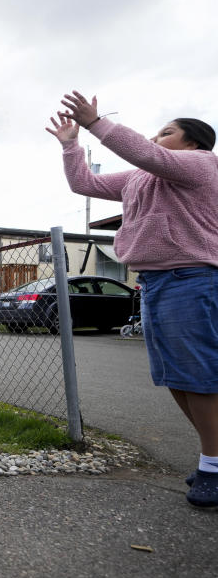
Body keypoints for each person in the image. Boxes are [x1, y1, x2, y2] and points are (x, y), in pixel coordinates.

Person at [47, 90, 218, 508]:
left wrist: (96, 123)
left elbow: (147, 154)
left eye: (167, 132)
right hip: (156, 282)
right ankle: (213, 458)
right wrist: (72, 145)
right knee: (175, 377)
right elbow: (84, 183)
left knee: (197, 376)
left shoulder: (202, 164)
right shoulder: (142, 178)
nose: (156, 138)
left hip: (191, 276)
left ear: (194, 142)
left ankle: (214, 465)